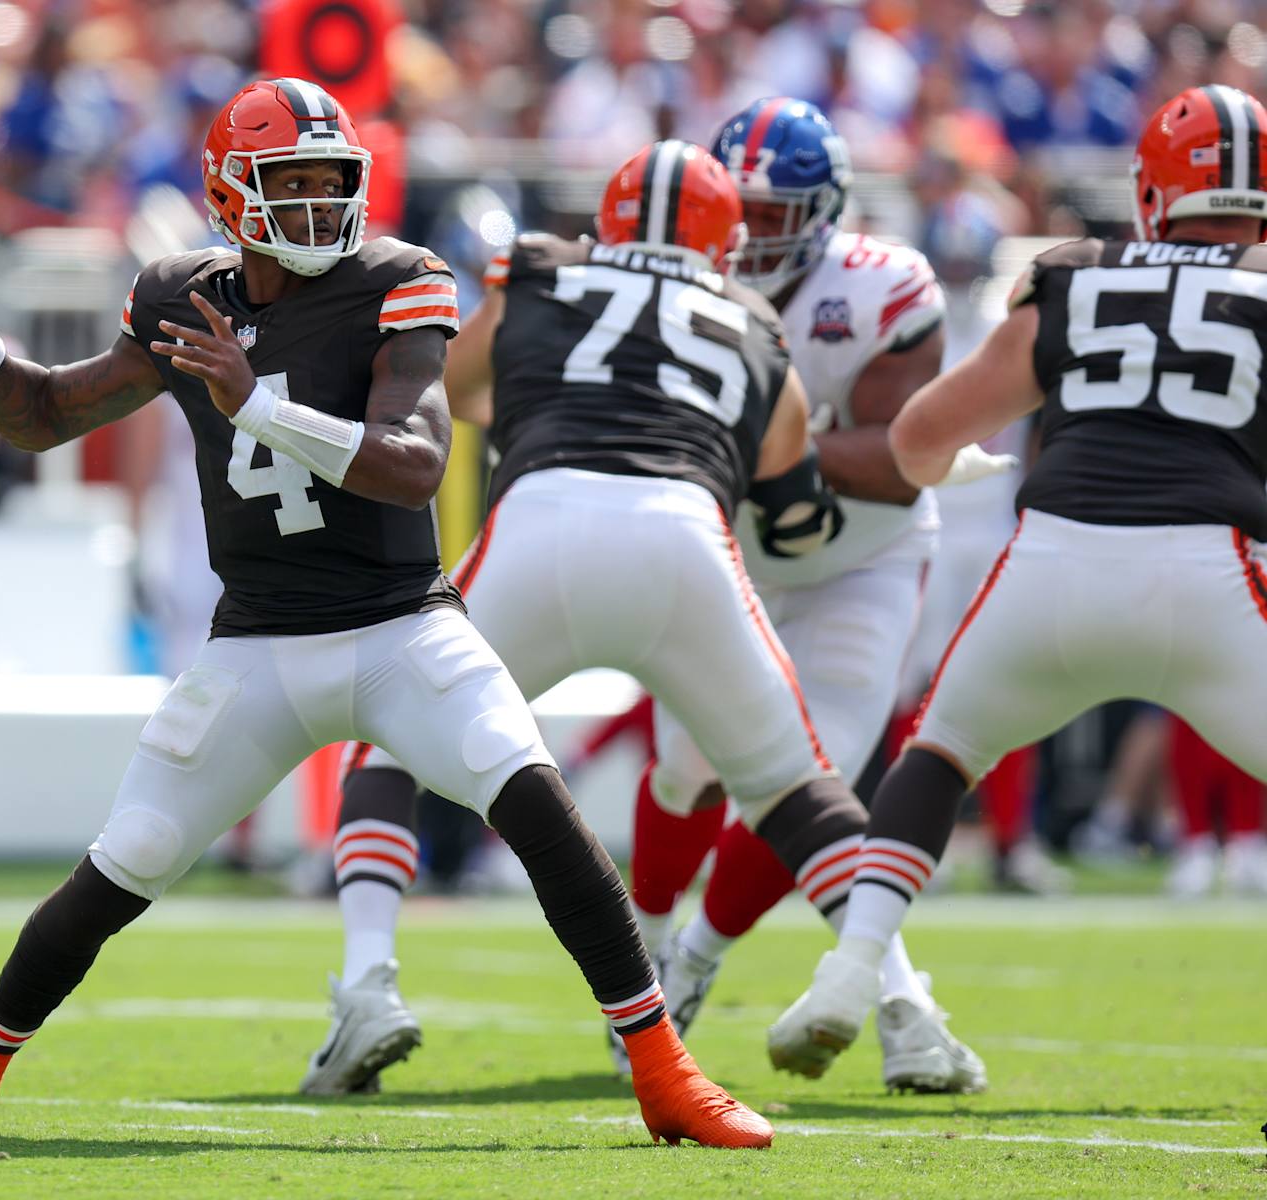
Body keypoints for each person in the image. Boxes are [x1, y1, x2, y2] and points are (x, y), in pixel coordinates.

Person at [0, 79, 771, 1149]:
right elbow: (49, 414)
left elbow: (415, 464)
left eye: (328, 182)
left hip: (399, 626)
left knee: (535, 802)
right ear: (228, 192)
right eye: (286, 183)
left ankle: (668, 1076)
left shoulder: (398, 282)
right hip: (256, 643)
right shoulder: (177, 297)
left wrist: (257, 404)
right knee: (124, 863)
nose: (312, 203)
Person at [307, 135, 878, 1098]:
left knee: (389, 747)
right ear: (722, 237)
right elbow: (793, 504)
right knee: (794, 787)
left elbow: (465, 386)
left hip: (545, 524)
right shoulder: (750, 320)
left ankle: (368, 979)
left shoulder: (540, 272)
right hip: (686, 539)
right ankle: (894, 997)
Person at [769, 84, 1267, 1076]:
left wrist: (947, 462)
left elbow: (916, 438)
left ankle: (849, 970)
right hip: (1213, 570)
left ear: (1155, 190)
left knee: (939, 753)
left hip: (1057, 559)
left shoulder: (1074, 278)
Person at [622, 99, 992, 1092]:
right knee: (682, 768)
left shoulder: (880, 289)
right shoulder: (668, 270)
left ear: (824, 213)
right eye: (734, 207)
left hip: (856, 561)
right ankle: (653, 947)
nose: (749, 233)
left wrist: (754, 447)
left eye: (773, 211)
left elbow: (898, 458)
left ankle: (694, 963)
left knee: (806, 777)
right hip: (725, 555)